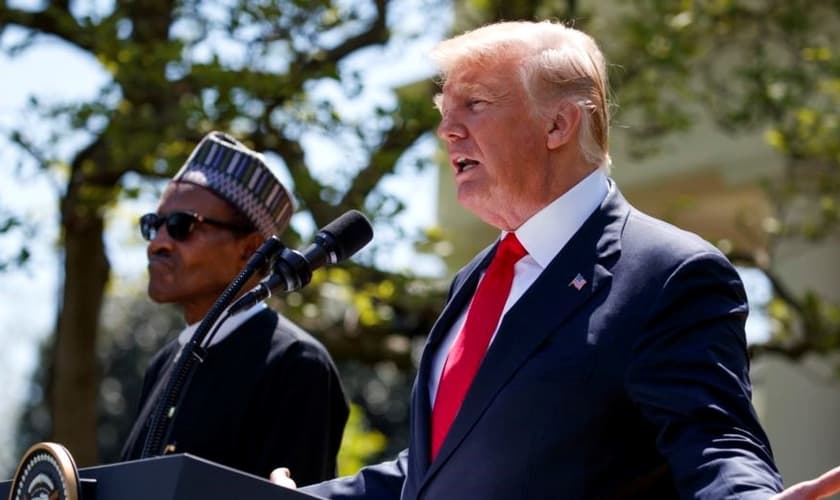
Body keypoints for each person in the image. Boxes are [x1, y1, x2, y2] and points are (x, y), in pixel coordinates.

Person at [269, 21, 840, 499]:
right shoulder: (475, 280)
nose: (446, 128)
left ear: (558, 124)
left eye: (475, 104)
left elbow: (714, 440)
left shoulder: (669, 273)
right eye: (445, 109)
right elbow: (436, 469)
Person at [121, 131, 349, 485]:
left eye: (182, 226)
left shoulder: (295, 362)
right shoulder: (164, 363)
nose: (158, 244)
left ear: (251, 247)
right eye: (154, 225)